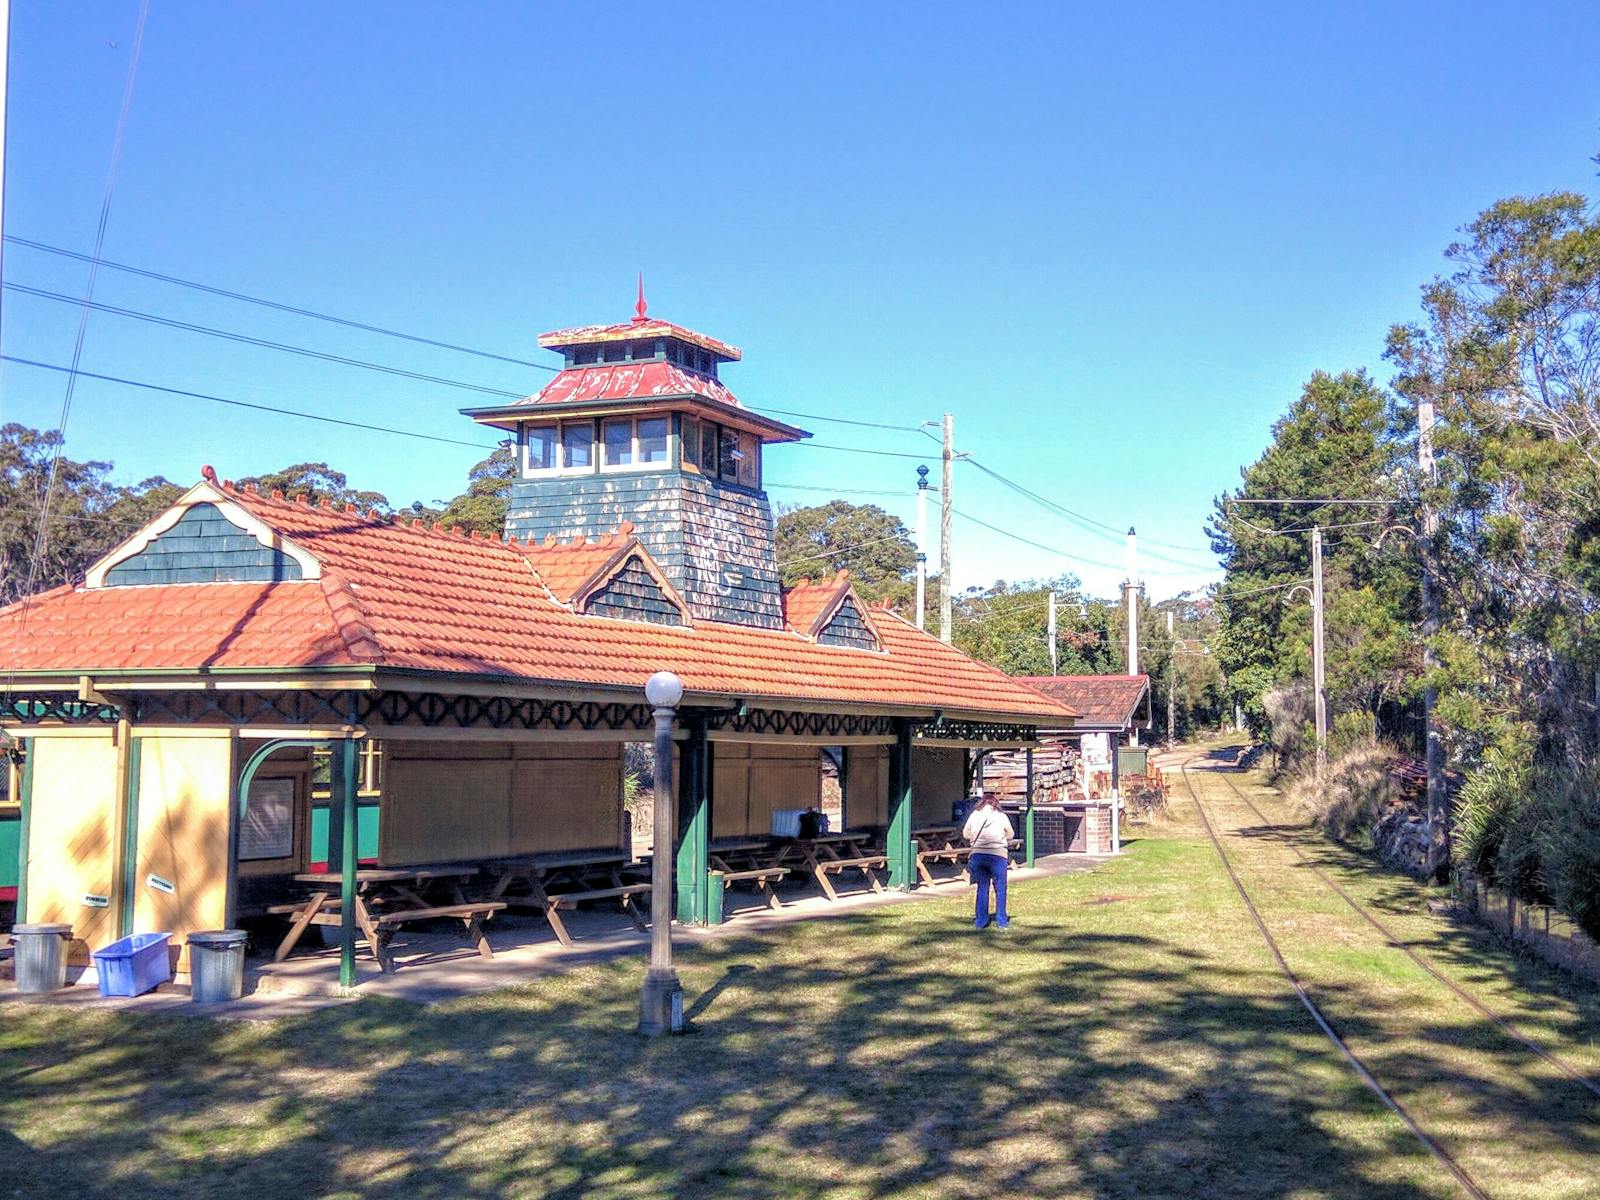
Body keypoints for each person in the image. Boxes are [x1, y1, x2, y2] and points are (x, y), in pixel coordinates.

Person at [962, 793, 1014, 929]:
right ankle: (1002, 921)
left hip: (978, 855)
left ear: (981, 803)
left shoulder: (974, 815)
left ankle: (981, 921)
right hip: (998, 855)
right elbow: (1011, 834)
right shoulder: (1001, 816)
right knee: (1000, 888)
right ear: (995, 804)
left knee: (982, 887)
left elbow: (965, 834)